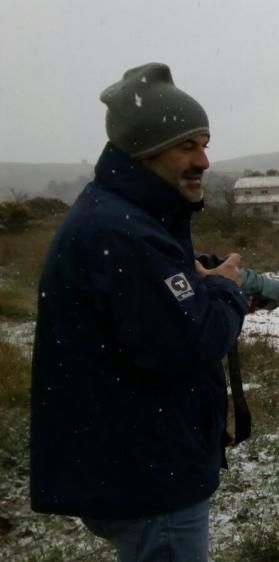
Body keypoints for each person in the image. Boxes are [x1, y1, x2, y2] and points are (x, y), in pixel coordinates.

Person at [30, 62, 249, 561]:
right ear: (145, 150)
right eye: (188, 146)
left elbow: (153, 323)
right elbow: (190, 345)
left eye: (205, 143)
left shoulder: (123, 216)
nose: (205, 161)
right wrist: (228, 290)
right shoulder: (124, 234)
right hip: (150, 476)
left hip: (131, 461)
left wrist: (196, 286)